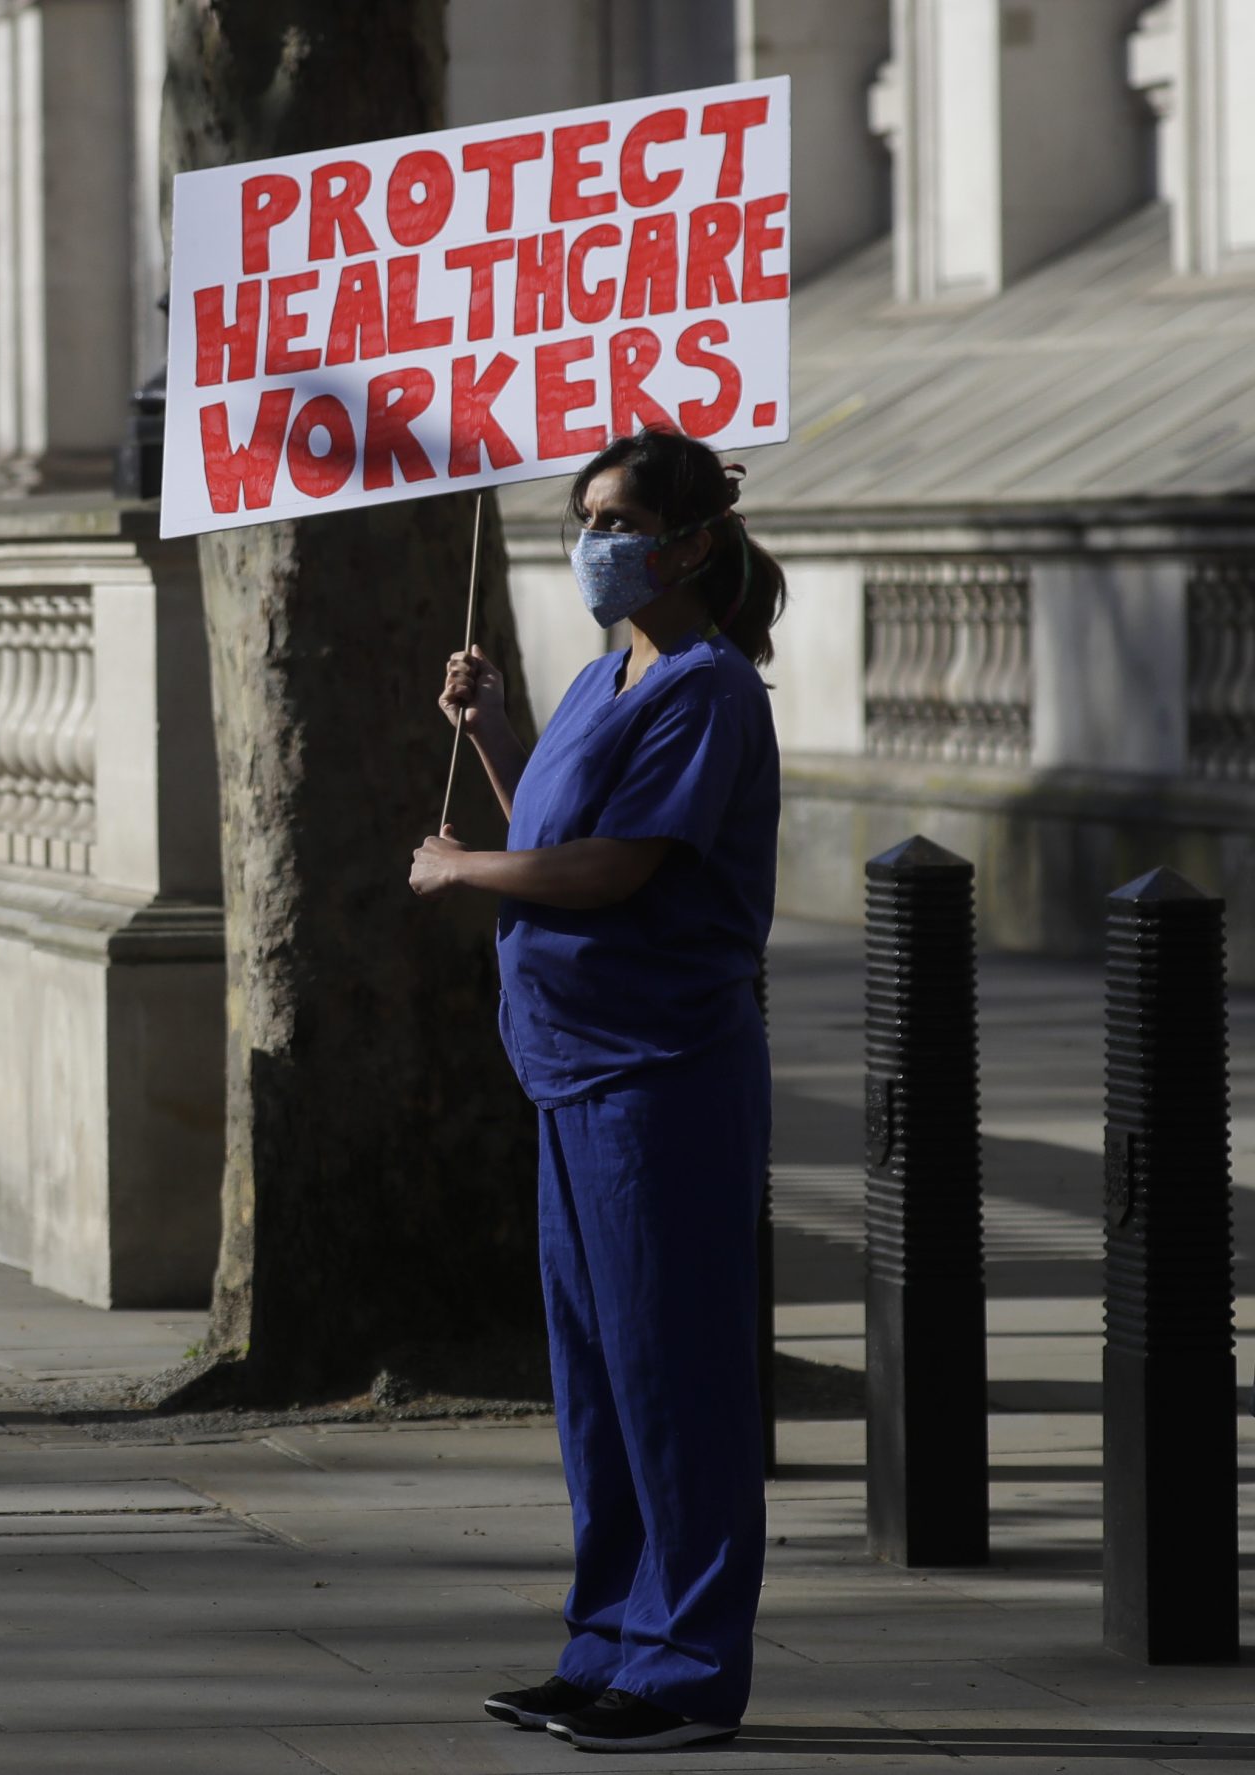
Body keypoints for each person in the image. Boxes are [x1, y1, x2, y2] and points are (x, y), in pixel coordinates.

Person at [408, 428, 785, 1754]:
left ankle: (685, 1669)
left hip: (661, 1076)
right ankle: (609, 1639)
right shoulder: (599, 679)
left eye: (616, 519)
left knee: (675, 1372)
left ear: (689, 544)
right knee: (601, 1377)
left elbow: (615, 870)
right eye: (583, 517)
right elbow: (551, 834)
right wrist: (496, 726)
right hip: (572, 1070)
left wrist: (461, 875)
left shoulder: (707, 688)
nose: (592, 542)